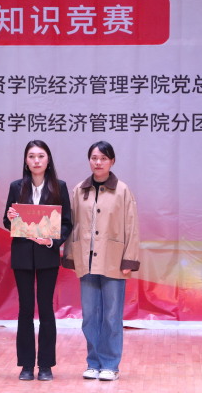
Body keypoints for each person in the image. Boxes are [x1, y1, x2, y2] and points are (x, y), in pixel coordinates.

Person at [62, 141, 140, 382]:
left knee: (111, 315)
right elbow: (72, 224)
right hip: (86, 261)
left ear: (112, 161)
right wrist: (70, 255)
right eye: (94, 158)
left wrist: (129, 259)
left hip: (113, 260)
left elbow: (132, 226)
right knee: (90, 316)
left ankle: (110, 364)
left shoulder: (122, 190)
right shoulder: (79, 190)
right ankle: (93, 362)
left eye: (103, 158)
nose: (98, 162)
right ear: (89, 160)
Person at [4, 140, 72, 381]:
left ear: (48, 160)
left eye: (41, 156)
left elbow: (67, 223)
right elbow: (8, 221)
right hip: (22, 255)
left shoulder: (59, 187)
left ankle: (45, 365)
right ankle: (25, 365)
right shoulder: (16, 186)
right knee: (25, 309)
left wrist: (53, 241)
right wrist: (10, 216)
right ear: (26, 160)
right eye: (31, 156)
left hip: (47, 255)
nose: (36, 160)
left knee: (45, 309)